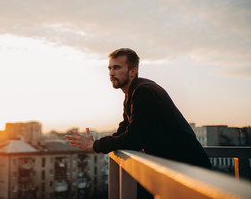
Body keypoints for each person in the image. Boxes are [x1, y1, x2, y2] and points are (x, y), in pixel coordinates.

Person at [65, 48, 211, 168]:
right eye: (109, 68)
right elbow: (123, 131)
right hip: (178, 166)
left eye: (117, 67)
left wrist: (94, 145)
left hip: (191, 168)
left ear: (133, 71)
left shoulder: (144, 92)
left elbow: (133, 139)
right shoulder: (132, 93)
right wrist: (95, 142)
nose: (111, 73)